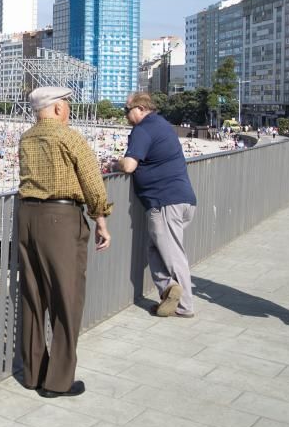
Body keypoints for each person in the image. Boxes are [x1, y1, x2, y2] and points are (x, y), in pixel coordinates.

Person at [17, 87, 112, 398]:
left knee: (33, 297)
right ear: (57, 109)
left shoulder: (27, 137)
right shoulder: (68, 137)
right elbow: (92, 181)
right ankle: (58, 381)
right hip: (60, 218)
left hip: (27, 215)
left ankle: (33, 373)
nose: (68, 111)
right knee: (66, 297)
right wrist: (100, 218)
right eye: (67, 105)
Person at [113, 92, 197, 318]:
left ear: (139, 108)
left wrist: (115, 163)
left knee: (173, 255)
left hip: (164, 202)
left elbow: (129, 166)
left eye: (126, 110)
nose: (126, 115)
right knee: (156, 249)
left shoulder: (143, 129)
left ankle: (184, 306)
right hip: (182, 199)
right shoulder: (163, 125)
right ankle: (170, 292)